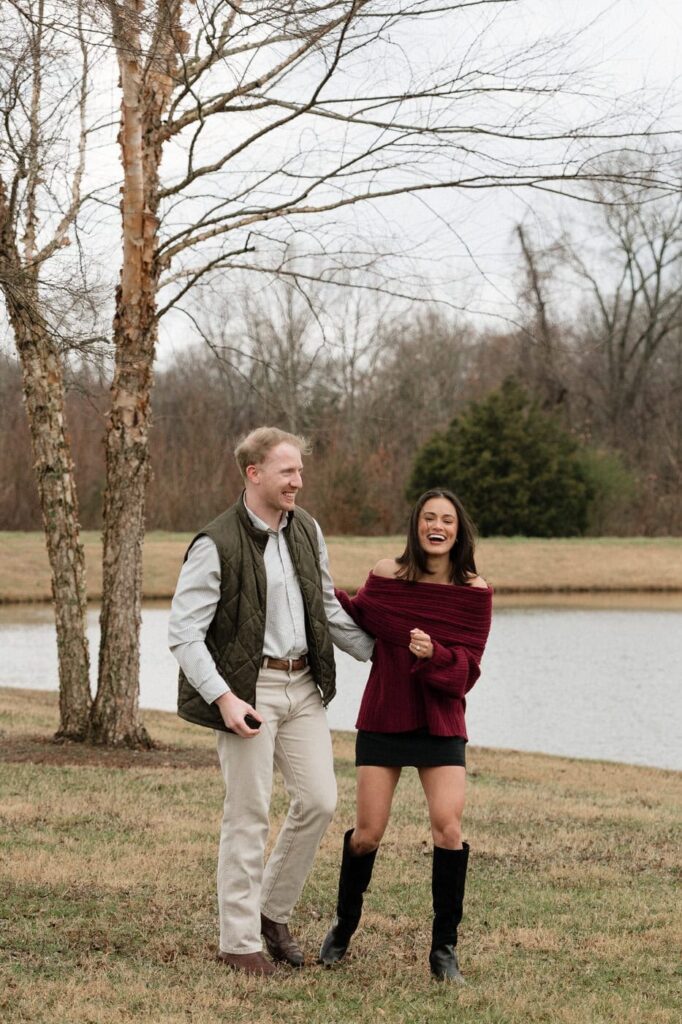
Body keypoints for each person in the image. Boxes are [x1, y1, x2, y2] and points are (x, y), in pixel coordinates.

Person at [168, 427, 373, 977]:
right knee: (249, 813)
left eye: (300, 471)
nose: (298, 481)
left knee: (320, 801)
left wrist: (381, 652)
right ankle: (238, 942)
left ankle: (271, 911)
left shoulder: (306, 528)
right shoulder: (216, 543)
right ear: (253, 473)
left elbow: (327, 607)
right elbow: (184, 634)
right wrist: (226, 700)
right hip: (247, 690)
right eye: (287, 472)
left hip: (304, 685)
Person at [319, 488, 492, 983]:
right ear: (416, 526)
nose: (437, 526)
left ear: (459, 533)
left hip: (441, 722)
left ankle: (444, 950)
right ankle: (343, 927)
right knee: (367, 834)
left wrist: (434, 654)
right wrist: (311, 585)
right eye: (429, 518)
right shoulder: (386, 575)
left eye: (448, 521)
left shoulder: (475, 592)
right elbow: (357, 615)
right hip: (385, 715)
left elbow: (468, 671)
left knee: (449, 829)